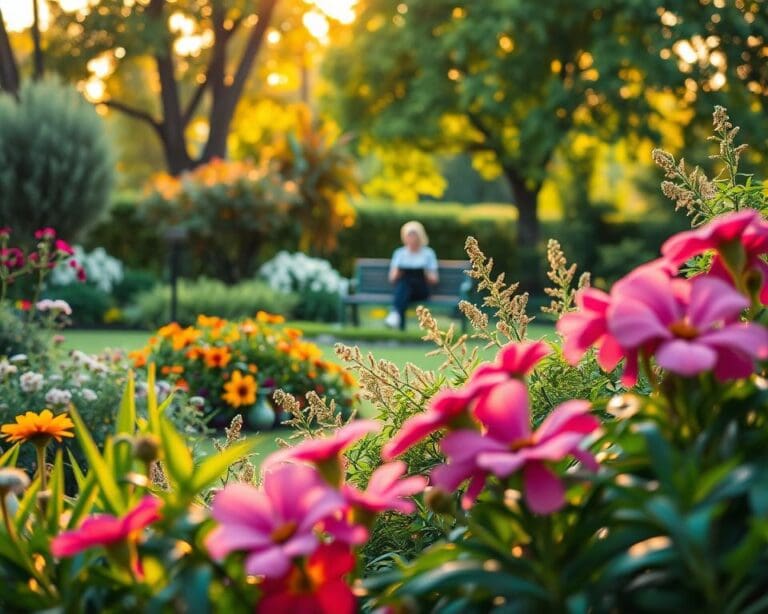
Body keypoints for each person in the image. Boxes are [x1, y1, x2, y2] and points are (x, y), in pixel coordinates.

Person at [385, 221, 439, 330]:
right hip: (405, 290)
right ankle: (396, 317)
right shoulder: (399, 254)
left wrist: (425, 273)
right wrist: (400, 272)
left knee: (408, 283)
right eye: (409, 236)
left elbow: (434, 279)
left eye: (414, 236)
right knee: (406, 281)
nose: (412, 239)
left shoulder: (428, 254)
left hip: (421, 290)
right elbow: (392, 278)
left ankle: (395, 314)